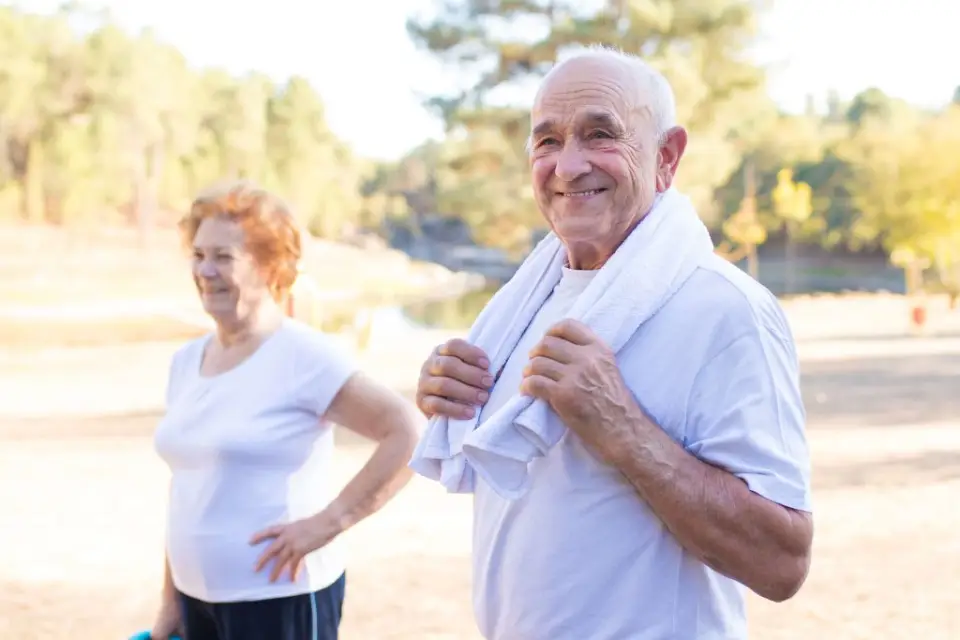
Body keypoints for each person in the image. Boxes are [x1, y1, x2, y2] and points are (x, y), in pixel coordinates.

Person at [414, 47, 814, 639]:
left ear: (667, 157)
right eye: (546, 141)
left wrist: (621, 425)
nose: (568, 165)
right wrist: (450, 390)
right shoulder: (520, 307)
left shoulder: (728, 311)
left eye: (600, 134)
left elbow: (783, 563)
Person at [150, 180, 421, 640]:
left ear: (268, 265)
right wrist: (170, 601)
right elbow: (186, 490)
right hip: (197, 601)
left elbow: (408, 432)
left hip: (279, 600)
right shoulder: (185, 362)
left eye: (223, 257)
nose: (205, 270)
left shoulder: (303, 356)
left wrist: (330, 522)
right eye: (198, 255)